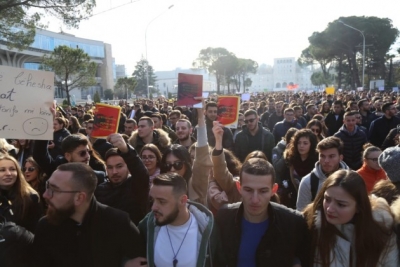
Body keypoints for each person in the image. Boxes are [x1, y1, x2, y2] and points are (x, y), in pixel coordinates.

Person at [32, 163, 146, 267]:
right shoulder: (46, 226)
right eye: (48, 186)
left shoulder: (118, 223)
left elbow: (141, 260)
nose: (45, 195)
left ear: (79, 197)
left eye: (54, 190)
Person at [216, 158, 310, 267]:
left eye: (263, 191)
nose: (255, 199)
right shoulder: (224, 218)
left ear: (274, 190)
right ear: (239, 187)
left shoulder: (294, 223)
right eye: (248, 190)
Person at [303, 170, 398, 267]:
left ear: (358, 207)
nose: (329, 209)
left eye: (341, 204)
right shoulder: (310, 225)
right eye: (327, 199)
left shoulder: (382, 232)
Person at [138, 172, 224, 267]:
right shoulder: (147, 225)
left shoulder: (208, 229)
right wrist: (126, 262)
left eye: (161, 202)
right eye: (152, 200)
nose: (153, 207)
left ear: (182, 200)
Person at [94, 133, 149, 225]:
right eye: (110, 167)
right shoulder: (100, 189)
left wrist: (126, 150)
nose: (114, 172)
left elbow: (141, 173)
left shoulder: (136, 186)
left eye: (119, 166)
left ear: (128, 167)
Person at [297, 137, 350, 211]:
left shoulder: (352, 180)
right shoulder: (308, 182)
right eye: (322, 156)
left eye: (331, 156)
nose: (326, 161)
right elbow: (301, 213)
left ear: (340, 158)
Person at [0, 154, 43, 233]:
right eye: (2, 170)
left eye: (12, 169)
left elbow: (36, 231)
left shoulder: (30, 197)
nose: (8, 173)